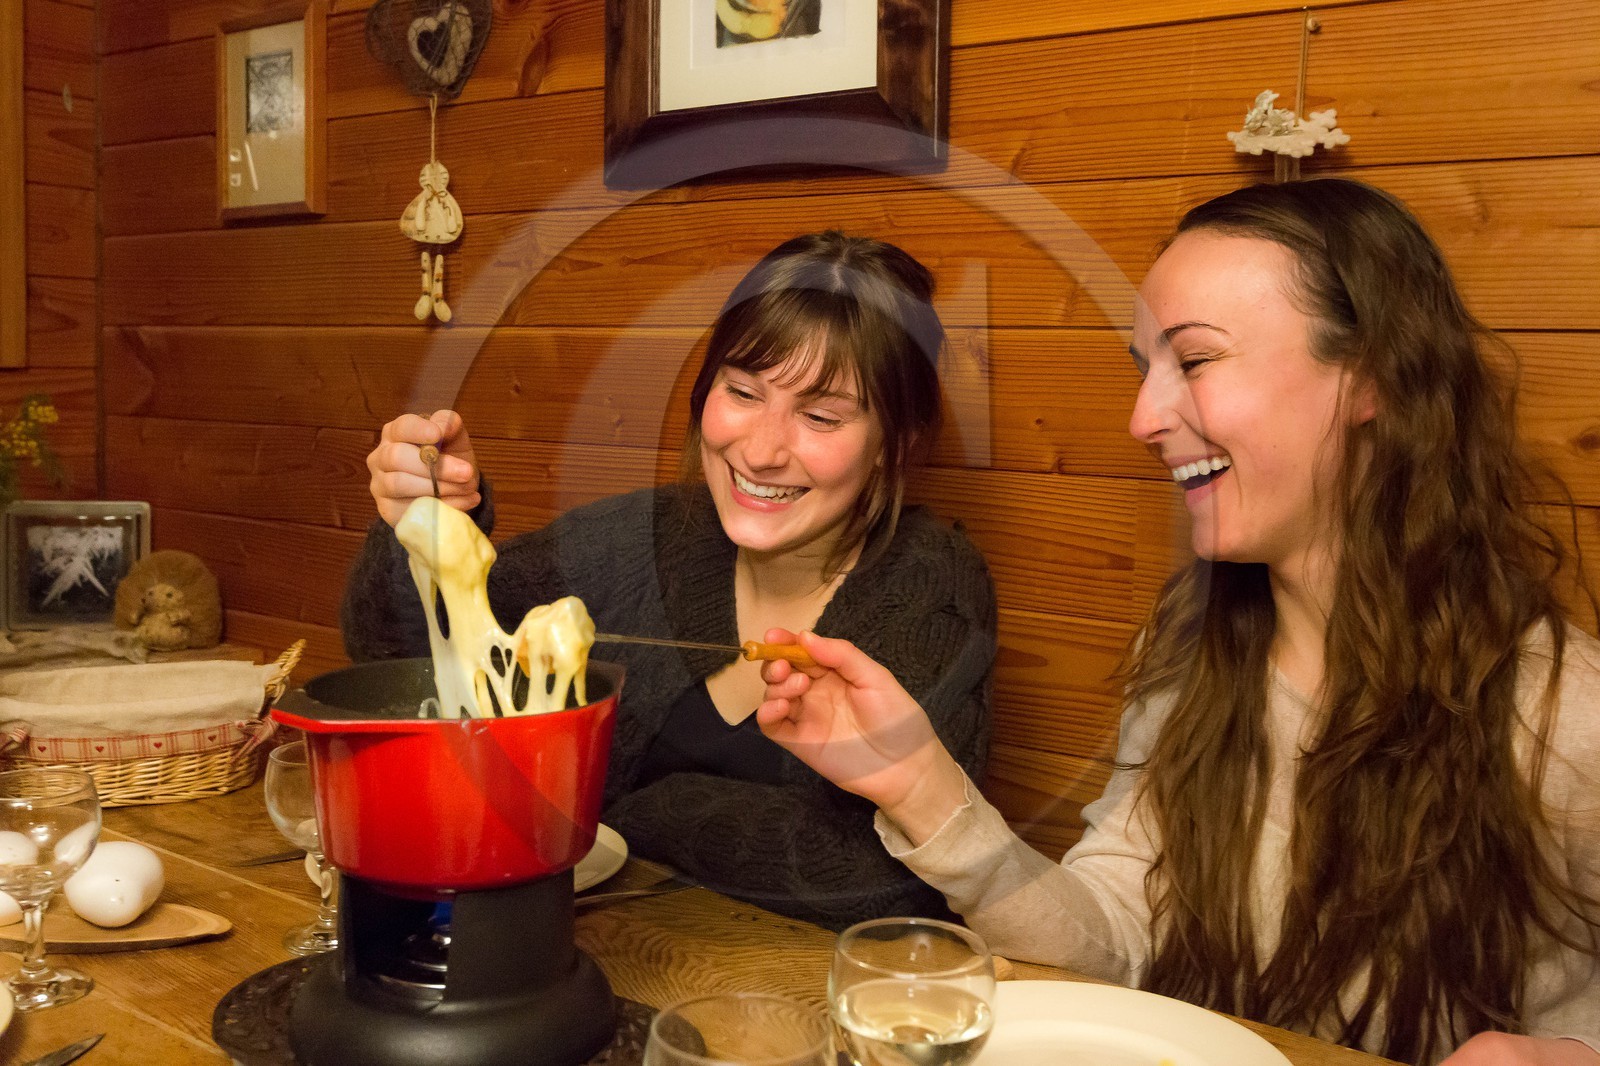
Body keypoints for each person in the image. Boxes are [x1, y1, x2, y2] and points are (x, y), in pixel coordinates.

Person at [756, 181, 1600, 1063]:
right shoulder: (1192, 657)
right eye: (1144, 371)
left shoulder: (1565, 714)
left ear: (1373, 377)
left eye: (1194, 363)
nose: (1143, 419)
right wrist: (918, 785)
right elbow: (1115, 943)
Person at [342, 231, 997, 931]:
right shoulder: (655, 535)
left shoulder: (933, 588)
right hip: (605, 959)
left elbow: (878, 882)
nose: (761, 449)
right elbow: (394, 652)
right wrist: (433, 522)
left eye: (820, 416)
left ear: (893, 443)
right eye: (743, 391)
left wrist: (625, 809)